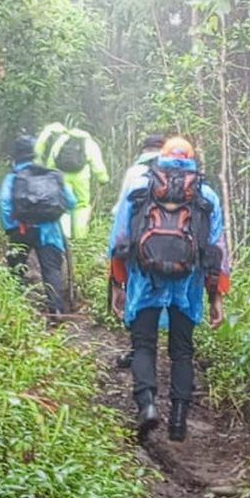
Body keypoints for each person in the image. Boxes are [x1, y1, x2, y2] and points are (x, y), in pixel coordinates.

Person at [109, 136, 230, 443]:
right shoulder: (206, 195)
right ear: (193, 159)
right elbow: (217, 250)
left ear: (160, 158)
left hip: (145, 279)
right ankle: (178, 420)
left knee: (144, 344)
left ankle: (148, 405)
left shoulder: (140, 188)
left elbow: (120, 240)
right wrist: (216, 297)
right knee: (182, 351)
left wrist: (118, 285)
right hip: (187, 285)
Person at [0, 133, 77, 316]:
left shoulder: (13, 177)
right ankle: (56, 310)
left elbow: (4, 203)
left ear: (15, 156)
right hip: (49, 230)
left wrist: (11, 227)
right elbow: (71, 201)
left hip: (21, 228)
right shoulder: (52, 175)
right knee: (52, 269)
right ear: (36, 154)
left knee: (16, 266)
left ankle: (16, 310)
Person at [112, 132, 166, 369]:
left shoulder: (135, 173)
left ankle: (138, 350)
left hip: (141, 253)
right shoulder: (183, 176)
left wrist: (115, 276)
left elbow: (121, 214)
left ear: (144, 149)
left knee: (139, 300)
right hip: (179, 255)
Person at [36, 125, 109, 240]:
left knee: (64, 205)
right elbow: (98, 164)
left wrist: (50, 176)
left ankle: (65, 237)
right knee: (81, 205)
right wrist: (103, 179)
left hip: (62, 177)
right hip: (82, 178)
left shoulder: (62, 140)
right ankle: (80, 237)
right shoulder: (89, 143)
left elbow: (52, 159)